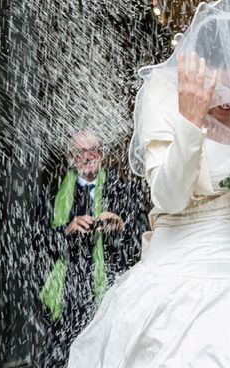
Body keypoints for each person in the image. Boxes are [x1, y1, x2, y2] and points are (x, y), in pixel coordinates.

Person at [67, 0, 230, 367]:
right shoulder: (162, 91)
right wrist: (190, 120)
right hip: (178, 268)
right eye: (220, 90)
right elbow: (168, 198)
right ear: (199, 70)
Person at [34, 131, 142, 368]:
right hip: (68, 293)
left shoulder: (124, 189)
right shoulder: (51, 195)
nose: (87, 156)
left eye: (93, 150)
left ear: (102, 154)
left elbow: (143, 236)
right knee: (63, 355)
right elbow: (38, 242)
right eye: (79, 152)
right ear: (70, 158)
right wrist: (68, 229)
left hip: (113, 287)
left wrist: (121, 225)